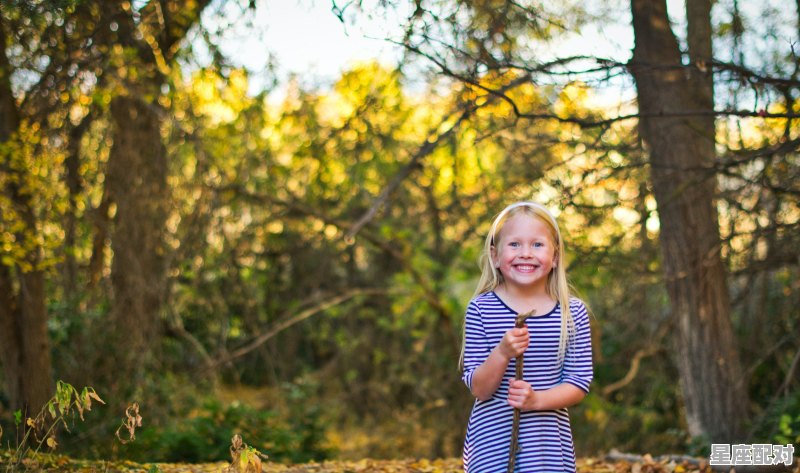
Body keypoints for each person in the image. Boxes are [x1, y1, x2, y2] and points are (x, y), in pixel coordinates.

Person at [460, 201, 593, 472]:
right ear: (495, 256)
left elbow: (578, 382)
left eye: (537, 245)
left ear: (555, 257)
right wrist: (502, 353)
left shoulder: (572, 313)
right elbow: (479, 389)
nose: (525, 254)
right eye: (514, 244)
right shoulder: (481, 309)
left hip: (546, 449)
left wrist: (537, 401)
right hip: (490, 446)